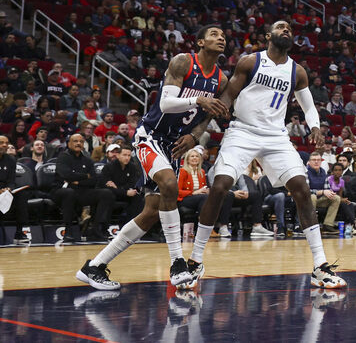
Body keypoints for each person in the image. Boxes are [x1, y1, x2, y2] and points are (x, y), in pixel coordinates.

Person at [188, 20, 345, 289]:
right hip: (243, 131)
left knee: (302, 188)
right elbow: (229, 95)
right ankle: (195, 261)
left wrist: (316, 127)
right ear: (268, 35)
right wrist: (210, 119)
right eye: (280, 27)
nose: (286, 31)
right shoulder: (251, 62)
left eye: (289, 30)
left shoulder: (298, 72)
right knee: (221, 186)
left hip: (275, 136)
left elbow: (308, 107)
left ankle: (320, 266)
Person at [76, 25, 229, 291]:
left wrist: (195, 136)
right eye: (214, 34)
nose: (221, 37)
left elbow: (208, 117)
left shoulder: (221, 79)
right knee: (170, 185)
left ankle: (94, 266)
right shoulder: (183, 62)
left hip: (176, 145)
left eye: (223, 35)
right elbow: (166, 103)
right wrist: (199, 101)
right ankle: (177, 264)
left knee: (151, 213)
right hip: (151, 136)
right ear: (201, 41)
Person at [53, 133, 115, 242]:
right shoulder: (63, 157)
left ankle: (96, 229)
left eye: (81, 141)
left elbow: (94, 180)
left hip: (82, 191)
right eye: (75, 141)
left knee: (106, 193)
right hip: (61, 191)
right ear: (69, 143)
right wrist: (85, 176)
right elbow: (65, 175)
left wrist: (77, 181)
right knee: (69, 192)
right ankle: (68, 231)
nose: (78, 143)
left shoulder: (87, 160)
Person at [99, 144, 144, 224]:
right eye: (124, 155)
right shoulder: (109, 167)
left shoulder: (132, 167)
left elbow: (132, 183)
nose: (127, 158)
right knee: (108, 194)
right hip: (112, 194)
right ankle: (103, 227)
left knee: (138, 197)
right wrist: (124, 191)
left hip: (123, 193)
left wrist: (119, 188)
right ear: (118, 155)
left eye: (129, 155)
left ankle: (131, 225)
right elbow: (105, 185)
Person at [0, 135, 30, 244]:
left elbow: (11, 180)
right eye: (1, 143)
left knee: (21, 195)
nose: (4, 145)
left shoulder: (11, 160)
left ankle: (19, 232)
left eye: (6, 143)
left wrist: (9, 188)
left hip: (5, 192)